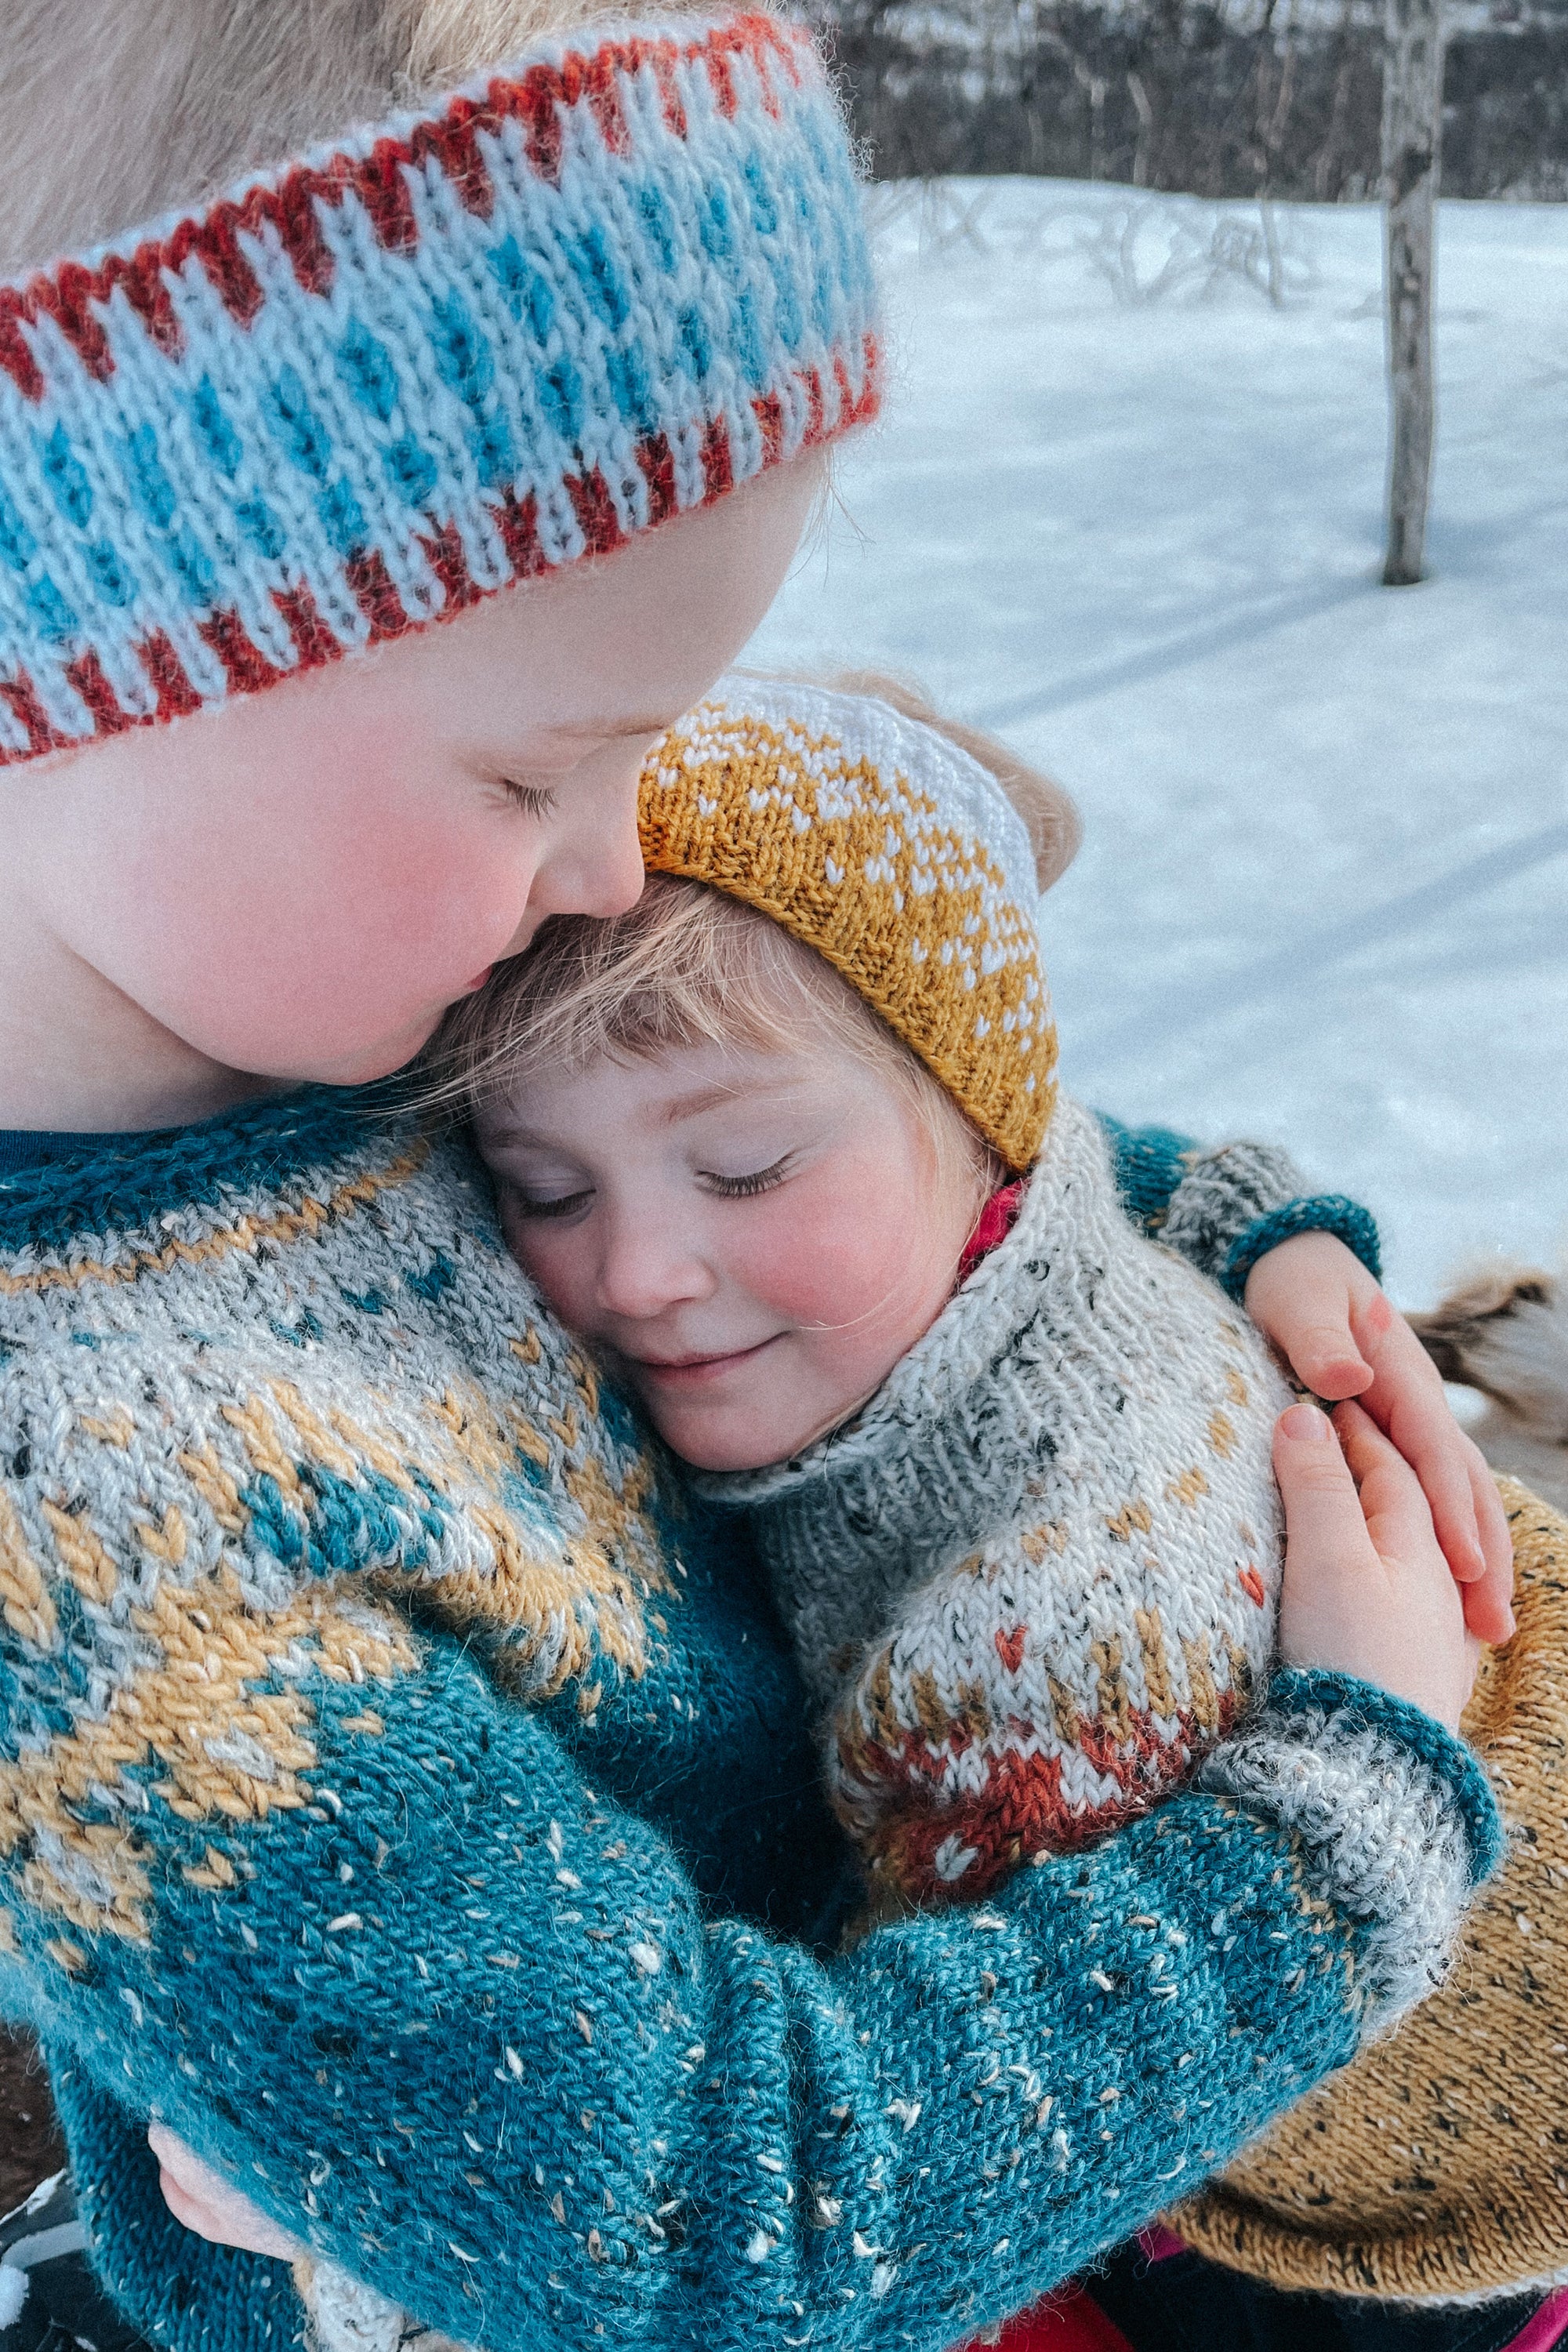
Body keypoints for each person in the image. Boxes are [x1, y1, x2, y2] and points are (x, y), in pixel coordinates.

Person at [0, 8, 1506, 2352]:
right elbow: (713, 2236)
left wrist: (1252, 1237)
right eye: (533, 775)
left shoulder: (313, 1006)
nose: (615, 863)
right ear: (97, 647)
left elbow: (926, 1139)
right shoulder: (90, 1529)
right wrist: (1339, 1823)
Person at [457, 673, 1498, 1907]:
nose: (636, 1275)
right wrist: (1264, 1224)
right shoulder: (959, 1254)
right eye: (547, 1191)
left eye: (746, 1172)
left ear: (980, 1127)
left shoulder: (1058, 1644)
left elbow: (949, 2081)